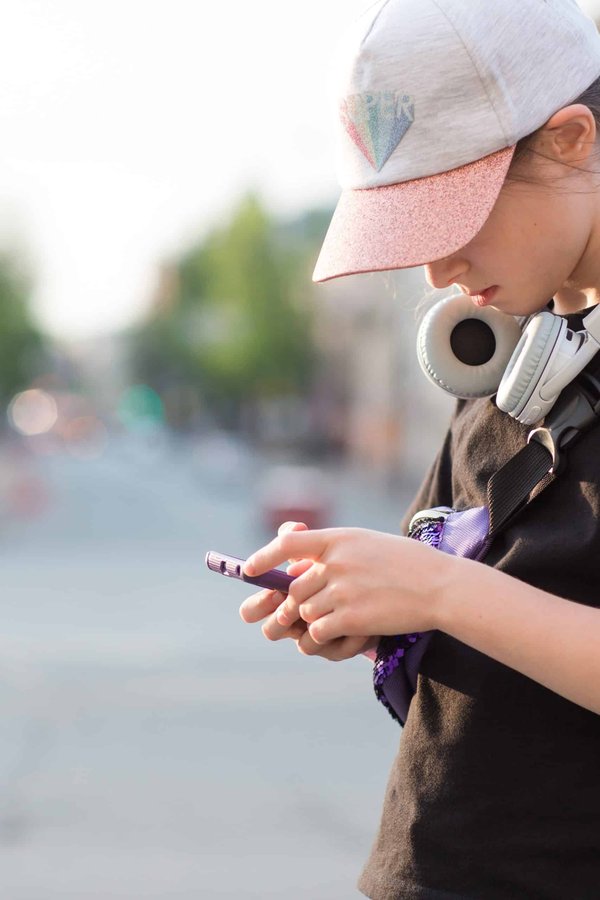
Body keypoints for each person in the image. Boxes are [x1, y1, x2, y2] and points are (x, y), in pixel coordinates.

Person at [239, 1, 600, 897]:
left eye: (451, 214)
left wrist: (441, 590)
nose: (435, 271)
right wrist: (372, 607)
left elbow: (465, 593)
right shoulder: (507, 361)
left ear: (570, 141)